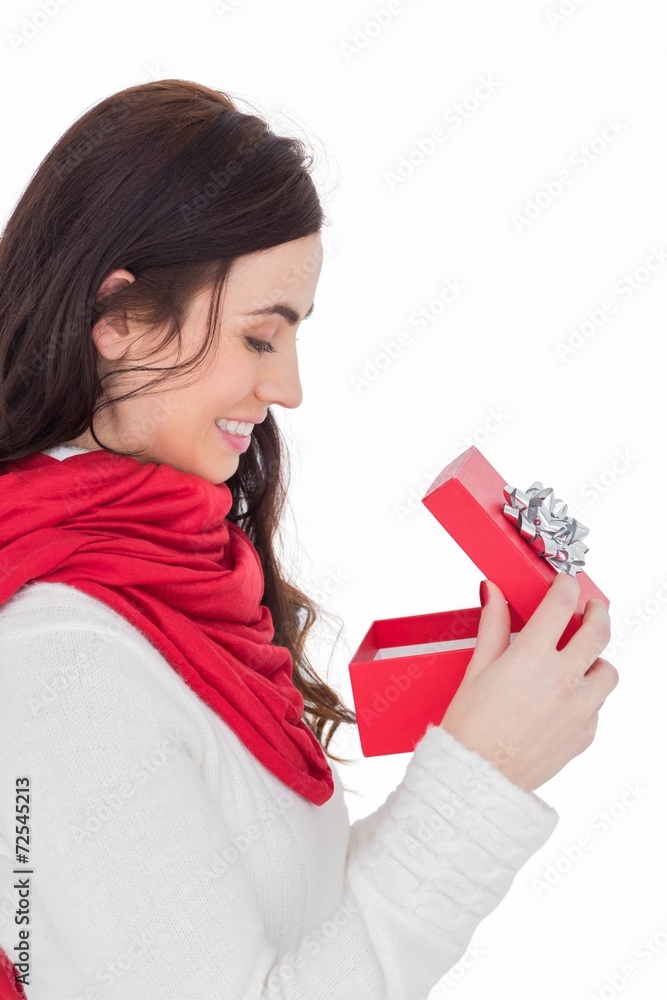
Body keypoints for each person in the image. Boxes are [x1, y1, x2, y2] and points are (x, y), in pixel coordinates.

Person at [0, 79, 618, 1000]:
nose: (288, 388)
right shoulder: (62, 662)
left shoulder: (174, 583)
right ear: (120, 319)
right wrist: (481, 778)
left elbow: (278, 932)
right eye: (259, 339)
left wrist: (479, 744)